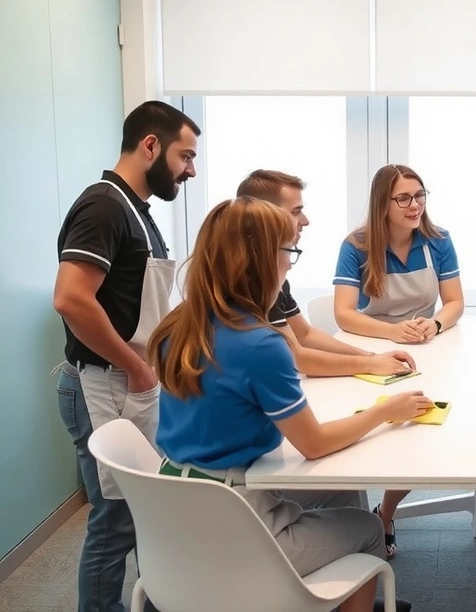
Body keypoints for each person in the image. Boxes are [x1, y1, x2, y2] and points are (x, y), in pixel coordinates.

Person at [151, 197, 427, 612]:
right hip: (238, 522)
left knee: (342, 495)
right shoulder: (262, 345)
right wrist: (385, 411)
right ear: (260, 259)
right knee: (368, 526)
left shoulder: (180, 324)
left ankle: (347, 587)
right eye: (288, 251)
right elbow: (313, 443)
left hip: (175, 516)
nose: (290, 263)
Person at [53, 101, 199, 612]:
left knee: (139, 514)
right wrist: (138, 367)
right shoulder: (105, 206)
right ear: (151, 146)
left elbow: (134, 302)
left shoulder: (137, 212)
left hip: (129, 381)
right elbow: (71, 299)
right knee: (114, 521)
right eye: (185, 156)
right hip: (104, 383)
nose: (191, 169)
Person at [334, 163, 465, 556]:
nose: (415, 205)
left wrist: (435, 325)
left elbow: (455, 302)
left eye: (420, 195)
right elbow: (344, 314)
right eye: (404, 198)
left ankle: (385, 512)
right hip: (371, 348)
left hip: (426, 350)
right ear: (382, 203)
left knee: (422, 430)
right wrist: (392, 331)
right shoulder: (356, 245)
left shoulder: (438, 240)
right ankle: (349, 522)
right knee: (366, 431)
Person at [236, 169, 416, 377]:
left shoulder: (272, 274)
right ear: (263, 216)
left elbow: (305, 333)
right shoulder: (253, 277)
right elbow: (297, 358)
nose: (305, 221)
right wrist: (370, 365)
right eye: (295, 212)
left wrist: (370, 357)